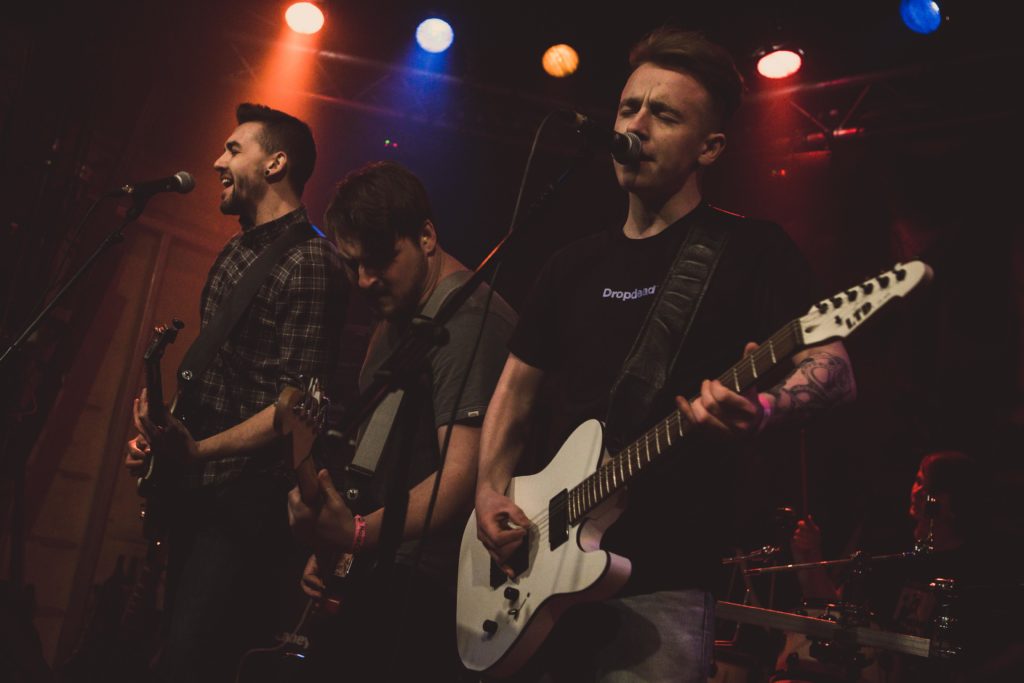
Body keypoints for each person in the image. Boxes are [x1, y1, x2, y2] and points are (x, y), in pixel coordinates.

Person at [474, 28, 856, 682]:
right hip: (535, 570)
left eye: (664, 114)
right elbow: (514, 389)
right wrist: (487, 490)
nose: (637, 124)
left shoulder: (752, 250)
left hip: (664, 585)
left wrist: (763, 407)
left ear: (709, 147)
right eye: (629, 109)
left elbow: (834, 369)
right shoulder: (572, 261)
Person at [124, 103, 348, 683]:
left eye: (232, 149)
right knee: (166, 650)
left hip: (249, 503)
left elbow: (296, 408)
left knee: (195, 661)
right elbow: (221, 376)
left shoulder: (310, 261)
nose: (216, 160)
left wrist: (197, 451)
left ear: (276, 163)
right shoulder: (235, 250)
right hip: (201, 493)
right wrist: (163, 436)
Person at [288, 161, 517, 680]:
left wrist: (356, 533)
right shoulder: (398, 316)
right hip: (377, 569)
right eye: (353, 265)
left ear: (427, 236)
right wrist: (338, 545)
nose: (365, 280)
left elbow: (460, 479)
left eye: (380, 260)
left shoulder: (469, 322)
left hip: (429, 587)